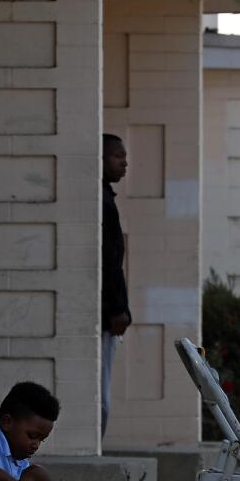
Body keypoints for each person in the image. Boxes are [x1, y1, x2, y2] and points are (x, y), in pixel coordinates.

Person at [102, 133, 131, 436]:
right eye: (117, 156)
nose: (124, 163)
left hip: (109, 315)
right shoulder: (102, 203)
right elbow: (108, 264)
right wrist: (117, 309)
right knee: (101, 398)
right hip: (106, 317)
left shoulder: (106, 198)